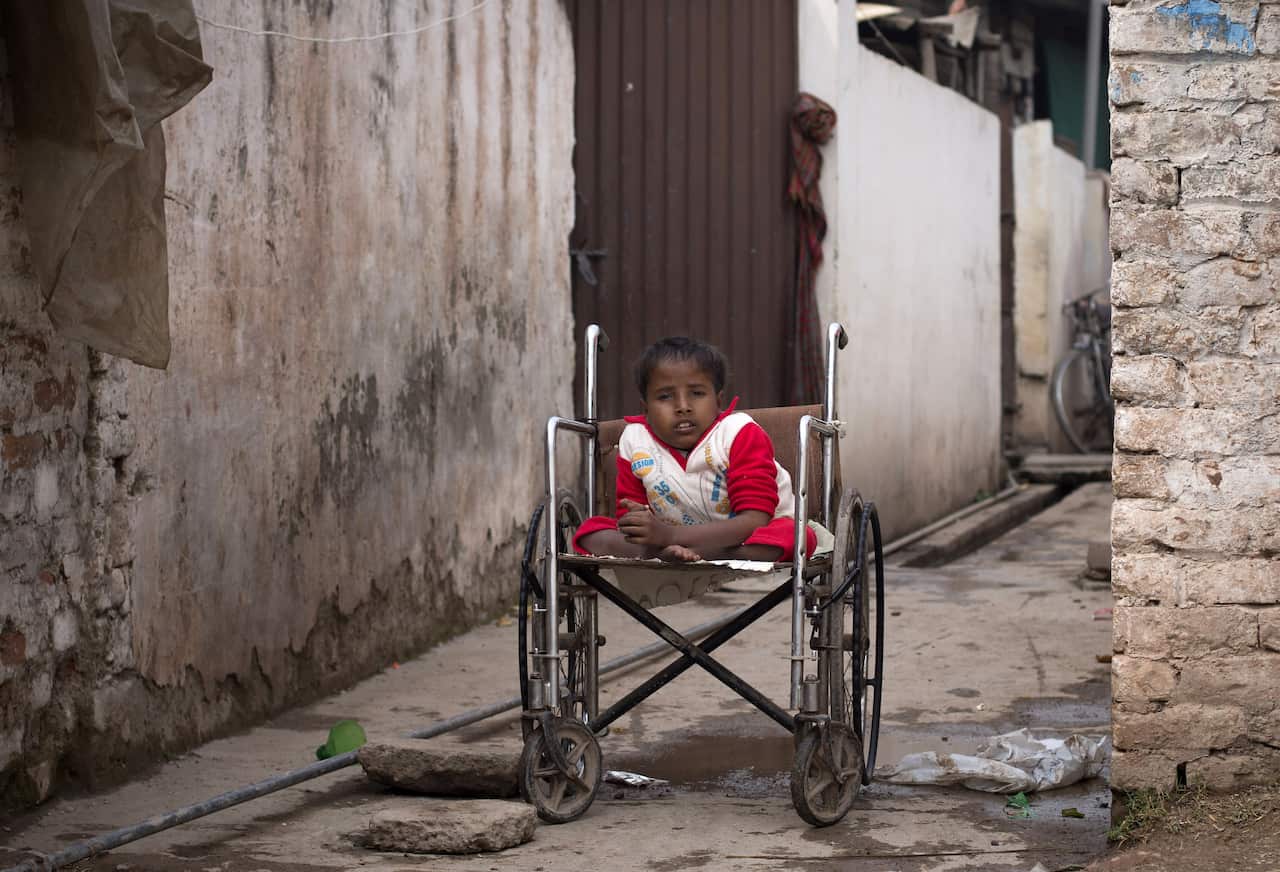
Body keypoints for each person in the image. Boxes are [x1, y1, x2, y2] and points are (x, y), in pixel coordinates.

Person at [573, 337, 817, 563]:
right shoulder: (634, 441)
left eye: (697, 394)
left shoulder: (738, 433)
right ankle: (662, 551)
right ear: (645, 408)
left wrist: (670, 535)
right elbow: (630, 514)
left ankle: (700, 552)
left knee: (797, 536)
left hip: (744, 535)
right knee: (589, 534)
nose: (683, 407)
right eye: (665, 396)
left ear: (718, 401)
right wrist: (637, 522)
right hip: (663, 538)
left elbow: (754, 520)